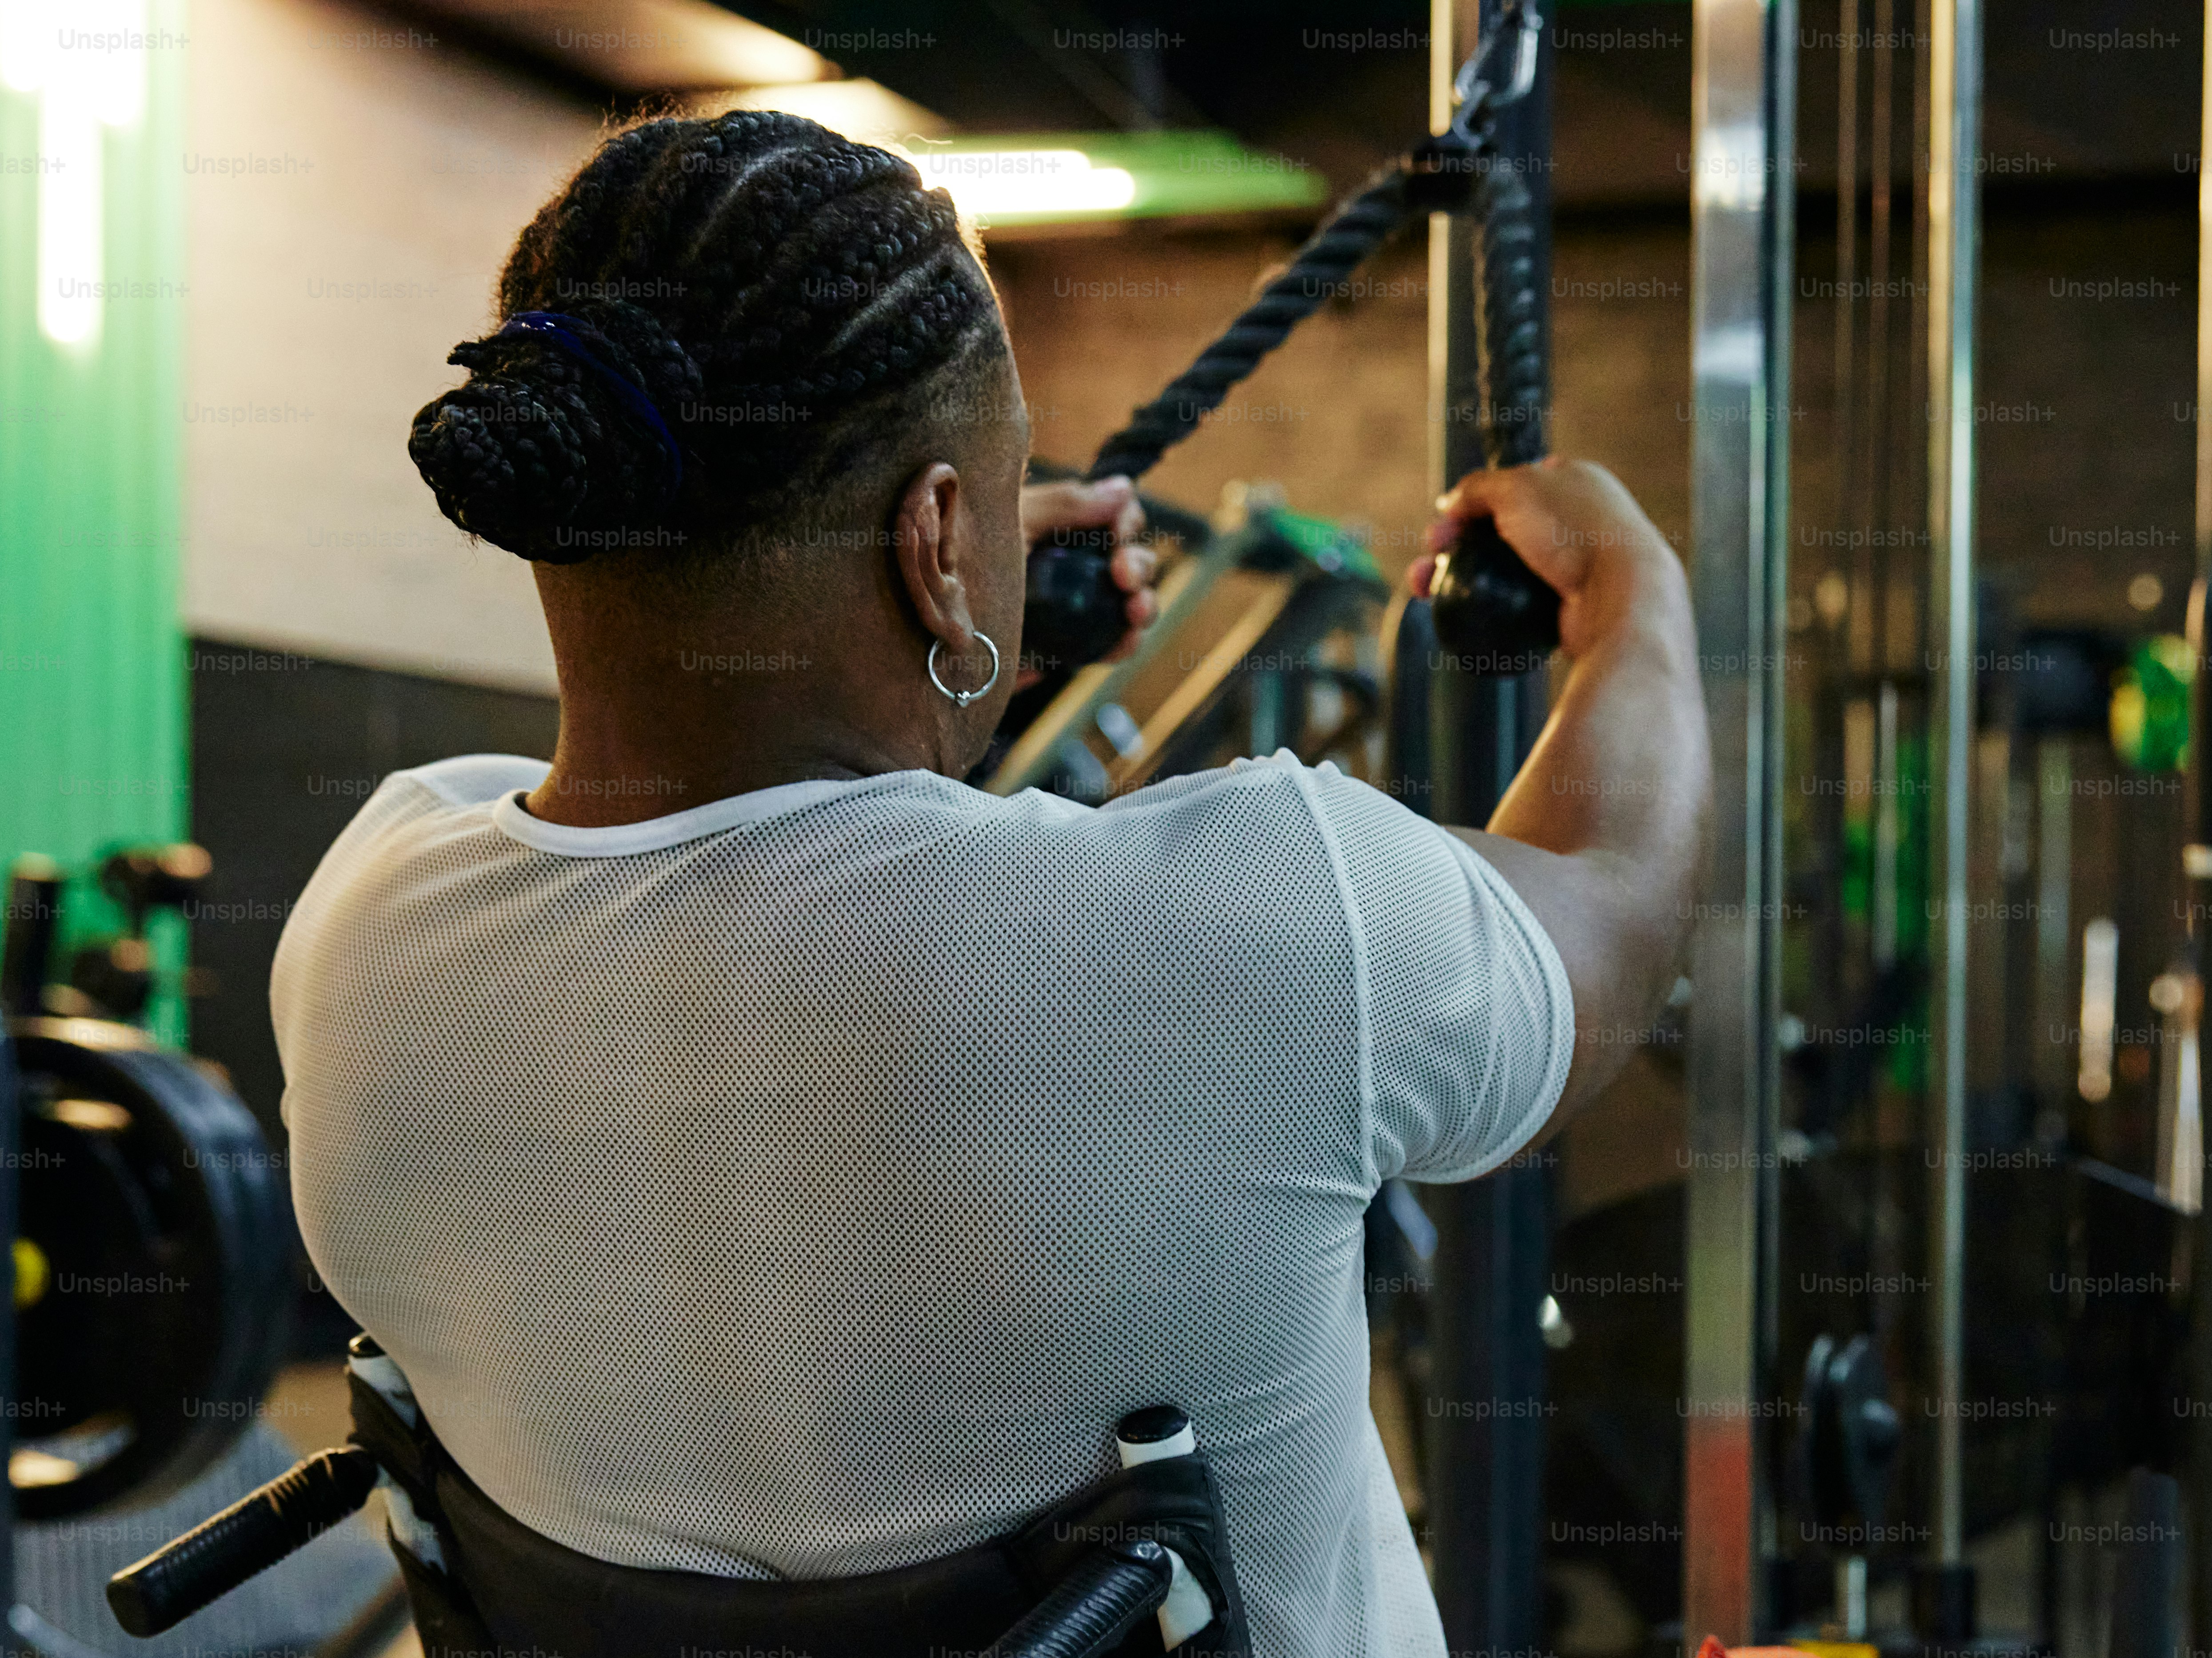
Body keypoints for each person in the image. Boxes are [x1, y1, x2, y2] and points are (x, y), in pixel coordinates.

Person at [275, 112, 1708, 1658]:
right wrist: (1641, 598)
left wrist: (930, 618)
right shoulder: (1259, 923)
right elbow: (1608, 886)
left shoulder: (365, 931)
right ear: (941, 534)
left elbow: (739, 837)